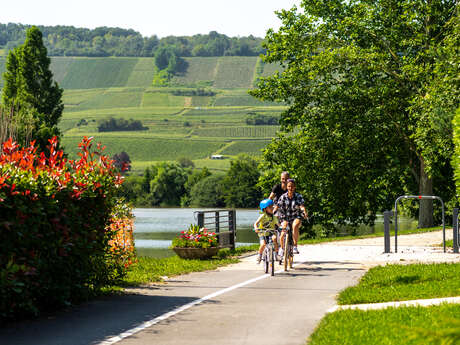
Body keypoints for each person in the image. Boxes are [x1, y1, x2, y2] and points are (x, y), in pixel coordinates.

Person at [277, 179, 308, 255]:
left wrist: (304, 211)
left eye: (292, 186)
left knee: (295, 225)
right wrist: (274, 212)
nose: (290, 188)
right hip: (285, 217)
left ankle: (295, 246)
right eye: (289, 186)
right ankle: (282, 248)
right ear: (287, 187)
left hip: (296, 216)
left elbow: (302, 206)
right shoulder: (283, 197)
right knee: (283, 231)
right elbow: (277, 207)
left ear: (294, 187)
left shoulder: (298, 196)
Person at [253, 198, 280, 263]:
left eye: (272, 207)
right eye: (270, 207)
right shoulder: (263, 216)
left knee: (275, 239)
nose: (272, 208)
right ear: (265, 209)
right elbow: (255, 223)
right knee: (263, 244)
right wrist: (256, 228)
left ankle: (276, 254)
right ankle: (259, 255)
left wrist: (282, 227)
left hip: (271, 232)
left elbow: (278, 224)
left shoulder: (274, 217)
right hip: (263, 233)